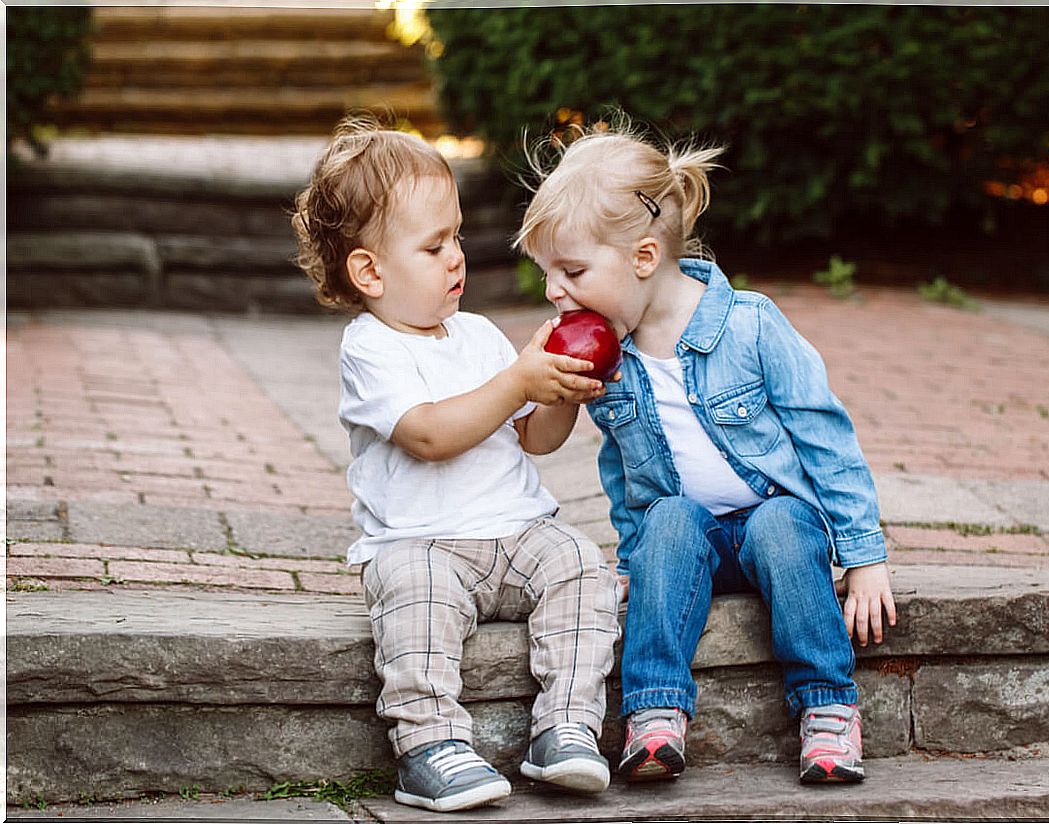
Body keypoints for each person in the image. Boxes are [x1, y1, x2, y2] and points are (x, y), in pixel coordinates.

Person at [515, 118, 896, 785]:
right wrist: (637, 558)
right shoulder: (613, 360)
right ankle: (656, 715)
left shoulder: (750, 324)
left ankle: (828, 707)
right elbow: (623, 468)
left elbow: (826, 439)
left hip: (779, 529)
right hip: (692, 540)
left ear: (642, 258)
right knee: (666, 519)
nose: (553, 291)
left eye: (571, 271)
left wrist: (864, 558)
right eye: (548, 273)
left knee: (780, 525)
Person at [291, 114, 621, 813]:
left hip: (517, 530)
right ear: (370, 271)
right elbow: (428, 435)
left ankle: (564, 726)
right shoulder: (372, 348)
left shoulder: (477, 334)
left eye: (458, 238)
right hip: (422, 542)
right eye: (434, 245)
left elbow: (534, 438)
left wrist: (559, 387)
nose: (457, 258)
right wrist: (517, 383)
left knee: (587, 568)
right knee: (415, 597)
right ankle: (429, 744)